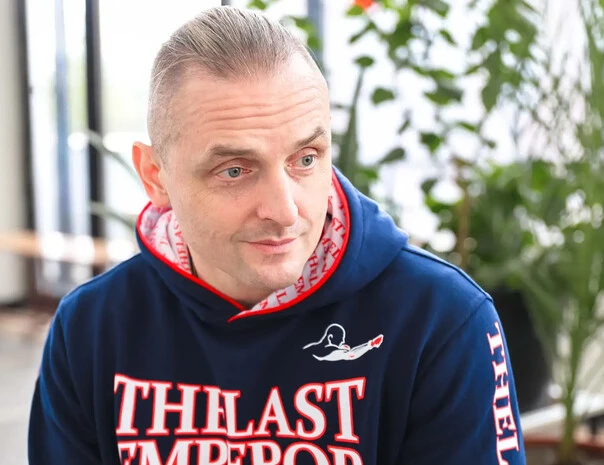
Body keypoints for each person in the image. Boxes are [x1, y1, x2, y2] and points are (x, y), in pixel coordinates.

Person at [28, 6, 526, 465]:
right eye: (235, 170)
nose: (285, 211)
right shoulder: (92, 330)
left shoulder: (441, 321)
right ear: (156, 176)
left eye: (305, 159)